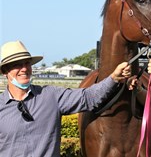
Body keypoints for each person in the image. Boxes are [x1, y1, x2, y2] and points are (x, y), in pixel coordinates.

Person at [0, 40, 131, 157]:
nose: (24, 69)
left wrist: (113, 78)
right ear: (6, 71)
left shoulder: (50, 96)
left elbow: (89, 97)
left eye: (27, 63)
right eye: (17, 65)